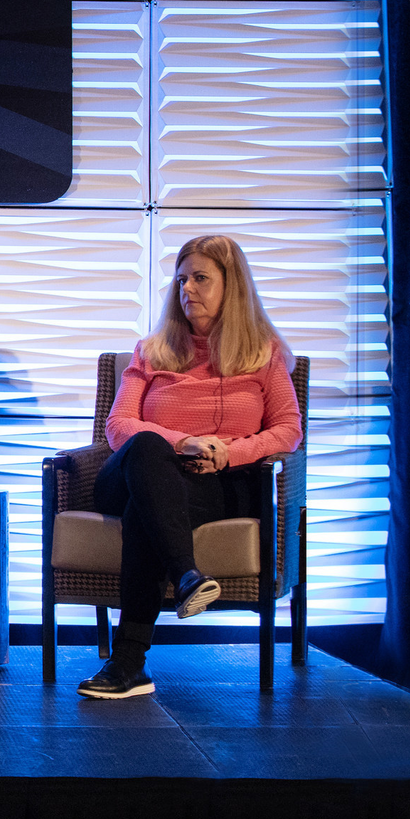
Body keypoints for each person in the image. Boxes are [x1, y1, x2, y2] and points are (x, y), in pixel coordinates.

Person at [78, 234, 303, 700]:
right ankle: (186, 574)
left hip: (215, 483)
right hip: (132, 473)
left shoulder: (263, 356)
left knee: (149, 513)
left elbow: (288, 431)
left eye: (201, 278)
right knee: (144, 446)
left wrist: (229, 452)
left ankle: (128, 666)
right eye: (182, 279)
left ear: (232, 286)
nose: (188, 290)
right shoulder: (152, 351)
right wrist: (181, 441)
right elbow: (118, 424)